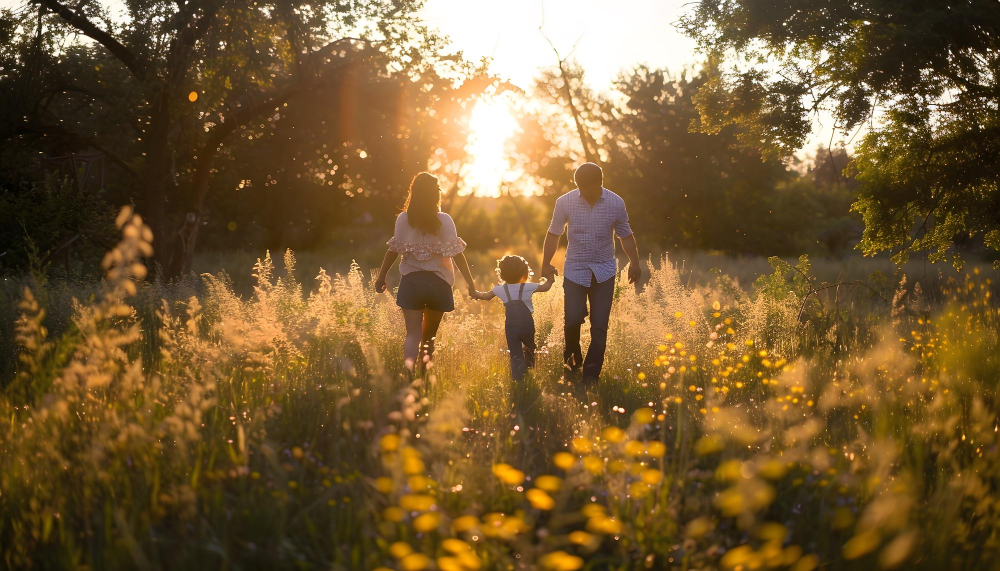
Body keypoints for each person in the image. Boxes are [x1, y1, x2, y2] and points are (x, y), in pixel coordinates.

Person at [541, 162, 641, 383]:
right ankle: (572, 368)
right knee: (573, 320)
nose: (583, 192)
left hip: (604, 270)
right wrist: (545, 263)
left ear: (600, 183)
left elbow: (625, 235)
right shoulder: (564, 202)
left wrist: (634, 263)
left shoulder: (616, 203)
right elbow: (554, 234)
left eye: (588, 187)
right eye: (580, 187)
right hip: (575, 269)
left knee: (599, 326)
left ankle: (590, 378)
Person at [374, 173, 477, 371]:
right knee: (429, 338)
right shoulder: (445, 220)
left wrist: (381, 277)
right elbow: (458, 255)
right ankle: (424, 378)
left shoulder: (403, 219)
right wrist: (471, 285)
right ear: (434, 194)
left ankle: (409, 375)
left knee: (412, 335)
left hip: (411, 283)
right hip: (438, 284)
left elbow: (393, 251)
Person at [472, 255, 554, 380]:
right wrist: (551, 276)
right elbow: (546, 286)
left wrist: (474, 293)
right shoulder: (527, 287)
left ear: (502, 274)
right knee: (530, 347)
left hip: (511, 326)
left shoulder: (499, 289)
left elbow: (486, 296)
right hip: (527, 324)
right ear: (524, 273)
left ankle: (518, 379)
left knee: (515, 352)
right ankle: (530, 375)